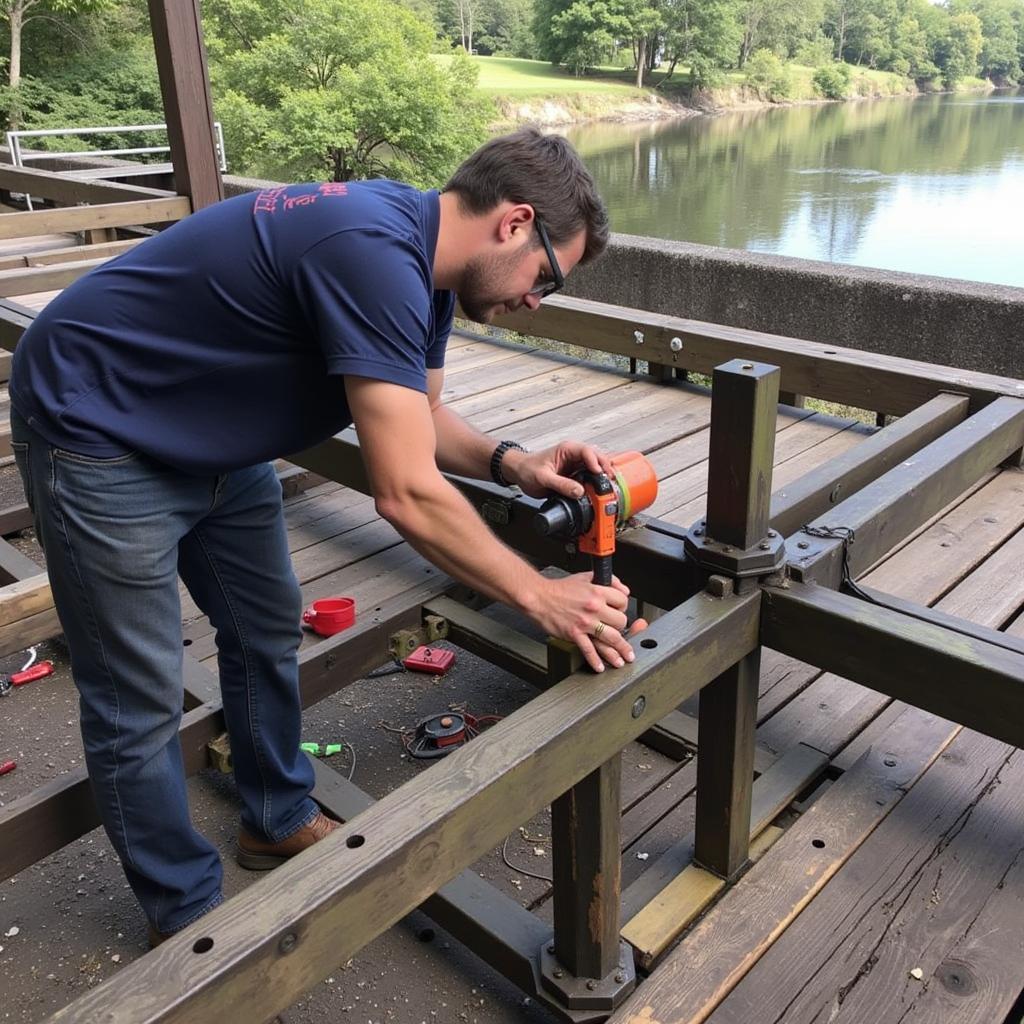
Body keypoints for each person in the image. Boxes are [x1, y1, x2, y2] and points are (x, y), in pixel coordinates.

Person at [8, 127, 638, 943]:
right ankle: (189, 917)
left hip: (211, 430)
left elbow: (426, 417)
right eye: (547, 277)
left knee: (265, 624)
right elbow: (407, 492)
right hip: (96, 426)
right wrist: (541, 595)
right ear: (515, 223)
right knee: (140, 694)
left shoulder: (428, 269)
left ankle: (273, 815)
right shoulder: (371, 251)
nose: (536, 300)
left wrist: (513, 462)